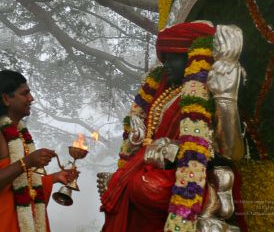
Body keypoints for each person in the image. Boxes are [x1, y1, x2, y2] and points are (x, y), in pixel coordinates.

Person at [98, 21, 245, 231]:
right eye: (164, 58)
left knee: (143, 186)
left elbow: (231, 152)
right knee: (126, 183)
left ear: (192, 58)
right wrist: (139, 139)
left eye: (173, 58)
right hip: (151, 171)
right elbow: (145, 140)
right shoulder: (163, 91)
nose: (166, 65)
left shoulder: (207, 89)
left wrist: (225, 96)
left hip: (189, 177)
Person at [0, 70, 76, 232]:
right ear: (6, 98)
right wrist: (27, 162)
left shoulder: (19, 135)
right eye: (25, 93)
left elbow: (22, 188)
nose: (31, 99)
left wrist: (55, 178)